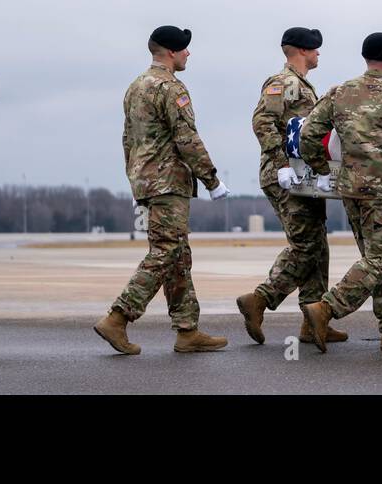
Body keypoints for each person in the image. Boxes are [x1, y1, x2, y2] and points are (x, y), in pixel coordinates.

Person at [94, 26, 228, 355]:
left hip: (147, 180)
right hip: (168, 182)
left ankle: (187, 330)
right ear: (170, 52)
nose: (188, 54)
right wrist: (212, 179)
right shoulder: (170, 87)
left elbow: (128, 139)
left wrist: (136, 178)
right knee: (167, 251)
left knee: (179, 256)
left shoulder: (136, 87)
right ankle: (118, 317)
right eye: (184, 49)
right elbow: (186, 138)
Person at [299, 33, 382, 352]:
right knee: (381, 257)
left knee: (379, 258)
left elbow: (309, 135)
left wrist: (321, 168)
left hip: (351, 190)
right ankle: (326, 309)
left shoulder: (339, 92)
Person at [237, 26, 346, 345]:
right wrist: (282, 164)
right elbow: (262, 122)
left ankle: (312, 321)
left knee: (317, 244)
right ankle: (258, 300)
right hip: (284, 176)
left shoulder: (301, 85)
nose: (318, 53)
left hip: (304, 177)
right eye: (315, 48)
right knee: (306, 245)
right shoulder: (281, 83)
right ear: (300, 50)